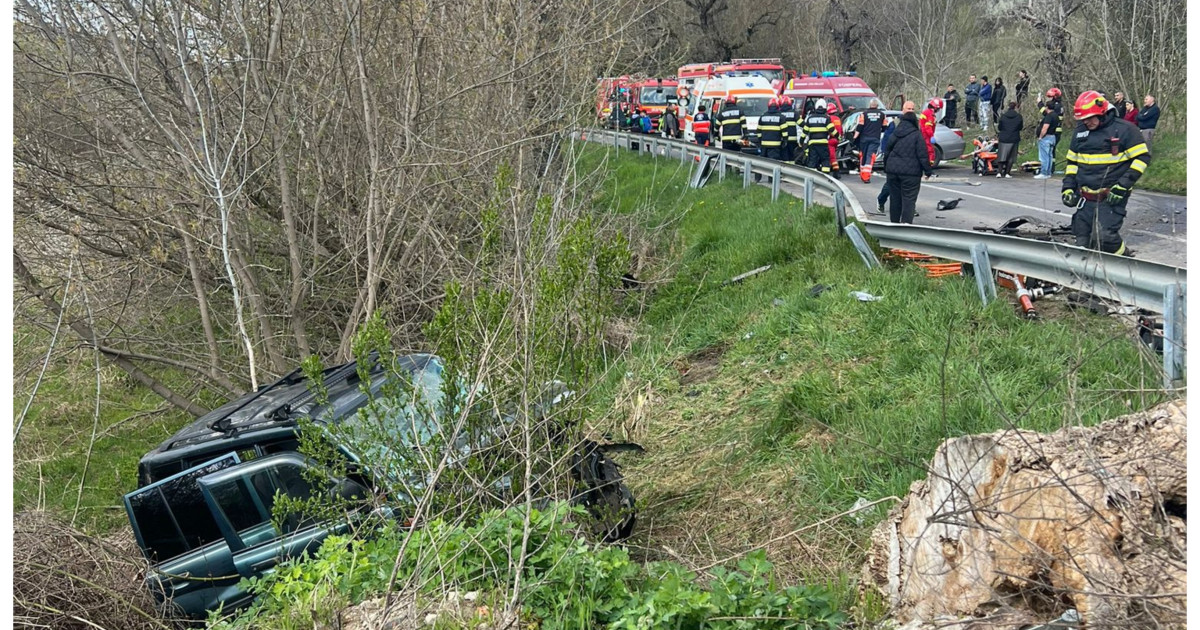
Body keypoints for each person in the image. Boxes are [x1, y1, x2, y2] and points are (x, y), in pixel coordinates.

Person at [1061, 90, 1151, 255]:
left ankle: (1124, 259)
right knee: (1082, 237)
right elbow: (1072, 162)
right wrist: (1067, 188)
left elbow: (1142, 158)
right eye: (1083, 119)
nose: (1086, 122)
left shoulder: (1125, 129)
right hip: (1085, 197)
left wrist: (1123, 185)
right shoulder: (1080, 132)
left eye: (1090, 118)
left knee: (1105, 237)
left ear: (1102, 112)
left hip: (1111, 195)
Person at [884, 101, 934, 224]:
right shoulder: (917, 135)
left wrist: (887, 167)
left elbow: (887, 151)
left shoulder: (895, 132)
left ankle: (894, 224)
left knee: (895, 199)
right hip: (911, 174)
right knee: (909, 200)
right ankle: (906, 225)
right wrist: (928, 171)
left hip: (893, 171)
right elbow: (922, 155)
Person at [801, 98, 835, 173]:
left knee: (812, 161)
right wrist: (838, 137)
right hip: (823, 144)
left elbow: (804, 132)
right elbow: (832, 130)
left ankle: (811, 177)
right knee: (825, 160)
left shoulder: (810, 118)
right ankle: (825, 176)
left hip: (812, 144)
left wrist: (801, 141)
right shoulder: (827, 118)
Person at [876, 114, 898, 211]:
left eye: (912, 109)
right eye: (909, 109)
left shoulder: (915, 125)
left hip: (909, 161)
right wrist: (887, 157)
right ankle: (881, 200)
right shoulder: (894, 125)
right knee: (891, 183)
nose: (911, 111)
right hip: (895, 159)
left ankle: (909, 207)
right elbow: (886, 142)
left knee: (908, 186)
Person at [855, 98, 886, 170]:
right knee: (870, 155)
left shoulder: (864, 114)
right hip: (875, 138)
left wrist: (855, 137)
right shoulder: (882, 114)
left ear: (869, 105)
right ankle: (866, 172)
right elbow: (885, 127)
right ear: (877, 105)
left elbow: (860, 126)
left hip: (864, 138)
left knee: (863, 155)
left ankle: (863, 170)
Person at [995, 101, 1024, 178]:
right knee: (1011, 156)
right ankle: (1007, 173)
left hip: (1003, 138)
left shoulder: (1003, 116)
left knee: (1001, 155)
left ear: (1008, 107)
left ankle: (999, 172)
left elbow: (1000, 127)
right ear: (1015, 107)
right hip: (1014, 138)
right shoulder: (1019, 117)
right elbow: (1020, 127)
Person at [1034, 103, 1060, 179]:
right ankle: (1048, 172)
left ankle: (1044, 173)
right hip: (1053, 137)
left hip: (1046, 137)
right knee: (1049, 156)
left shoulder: (1049, 116)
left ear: (1047, 107)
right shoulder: (1056, 115)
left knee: (1044, 156)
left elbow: (1045, 128)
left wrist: (1040, 137)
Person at [919, 98, 941, 166]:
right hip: (926, 135)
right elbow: (928, 127)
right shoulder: (930, 114)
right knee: (930, 150)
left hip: (923, 133)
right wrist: (931, 136)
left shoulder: (926, 112)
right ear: (936, 107)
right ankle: (929, 165)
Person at [827, 101, 844, 178]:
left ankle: (836, 172)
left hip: (830, 139)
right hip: (837, 140)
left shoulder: (829, 119)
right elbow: (841, 130)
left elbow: (828, 129)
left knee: (832, 157)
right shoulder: (838, 119)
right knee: (833, 155)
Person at [780, 96, 799, 161]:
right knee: (792, 157)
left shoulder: (779, 113)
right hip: (792, 140)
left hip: (782, 139)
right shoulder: (794, 113)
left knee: (784, 156)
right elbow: (802, 124)